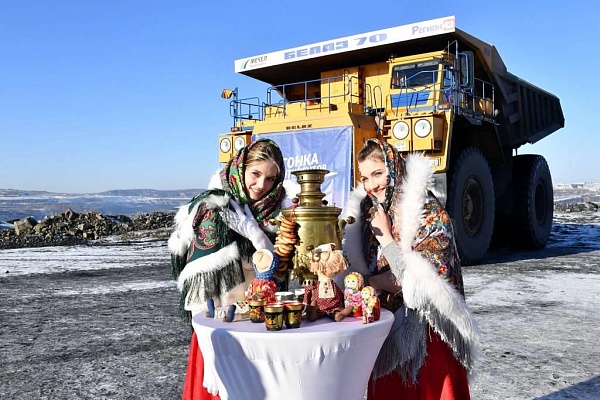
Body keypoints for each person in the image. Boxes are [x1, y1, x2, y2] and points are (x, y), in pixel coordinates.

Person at [341, 138, 479, 400]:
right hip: (387, 331)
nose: (373, 185)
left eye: (378, 174)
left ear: (394, 169)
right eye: (366, 178)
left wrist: (385, 242)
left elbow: (418, 283)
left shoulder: (428, 213)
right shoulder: (369, 213)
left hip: (429, 334)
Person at [168, 138, 287, 400]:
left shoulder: (275, 212)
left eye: (270, 179)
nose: (260, 186)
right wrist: (211, 346)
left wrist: (255, 234)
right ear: (241, 168)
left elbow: (278, 269)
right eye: (255, 174)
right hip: (222, 328)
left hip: (259, 323)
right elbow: (199, 284)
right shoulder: (213, 209)